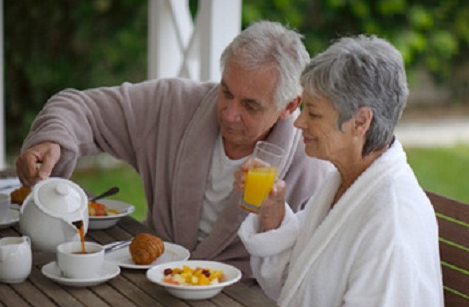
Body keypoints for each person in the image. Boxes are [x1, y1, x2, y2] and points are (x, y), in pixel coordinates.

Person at [15, 21, 332, 282]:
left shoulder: (313, 165)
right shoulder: (172, 104)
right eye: (226, 92)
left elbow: (305, 276)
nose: (229, 113)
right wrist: (52, 139)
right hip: (147, 281)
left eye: (250, 105)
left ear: (289, 106)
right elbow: (79, 107)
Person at [236, 35, 444, 305]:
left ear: (360, 121)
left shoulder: (392, 219)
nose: (299, 122)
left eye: (314, 113)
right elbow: (294, 283)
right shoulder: (343, 181)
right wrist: (272, 212)